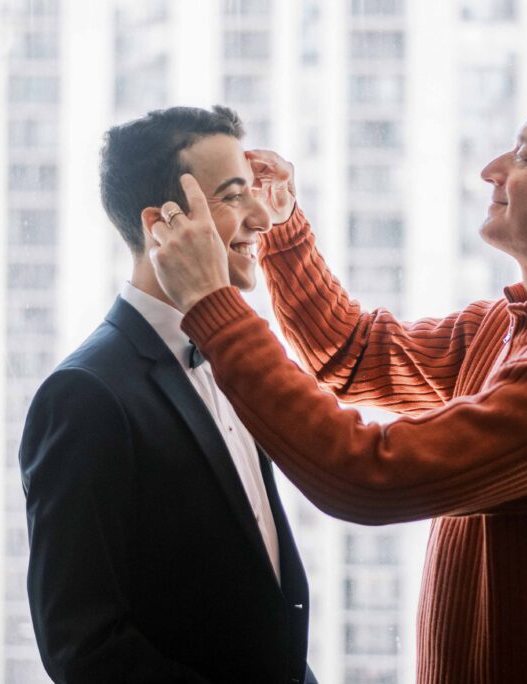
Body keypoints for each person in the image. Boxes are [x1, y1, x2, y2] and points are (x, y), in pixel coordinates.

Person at [149, 88, 527, 682]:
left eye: (526, 159)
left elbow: (365, 474)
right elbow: (352, 355)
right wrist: (284, 226)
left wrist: (214, 306)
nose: (493, 171)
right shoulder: (514, 325)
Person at [19, 106, 315, 684]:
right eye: (233, 197)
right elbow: (84, 648)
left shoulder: (239, 354)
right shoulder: (84, 395)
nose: (260, 217)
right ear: (164, 224)